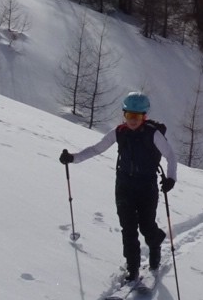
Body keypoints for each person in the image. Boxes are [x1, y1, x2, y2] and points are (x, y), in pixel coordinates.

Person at [61, 91, 178, 281]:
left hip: (147, 187)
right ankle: (133, 268)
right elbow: (96, 149)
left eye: (137, 116)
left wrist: (171, 179)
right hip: (124, 185)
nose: (132, 120)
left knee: (146, 226)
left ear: (144, 116)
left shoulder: (153, 134)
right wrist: (72, 158)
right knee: (128, 228)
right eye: (129, 115)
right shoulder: (119, 132)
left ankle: (155, 243)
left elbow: (171, 156)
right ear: (124, 114)